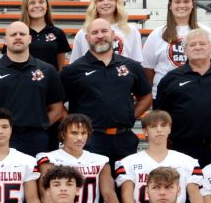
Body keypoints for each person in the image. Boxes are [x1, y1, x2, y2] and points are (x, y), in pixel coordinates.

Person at [62, 17, 153, 168]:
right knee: (92, 189)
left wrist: (131, 114)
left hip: (124, 139)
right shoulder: (73, 70)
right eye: (95, 32)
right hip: (89, 140)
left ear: (112, 35)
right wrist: (73, 126)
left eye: (104, 31)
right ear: (87, 38)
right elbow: (57, 103)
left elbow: (146, 96)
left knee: (124, 187)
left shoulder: (131, 66)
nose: (100, 35)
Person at [0, 21, 66, 156]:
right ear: (5, 40)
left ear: (30, 39)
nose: (18, 37)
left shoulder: (47, 70)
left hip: (36, 139)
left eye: (22, 34)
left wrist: (41, 124)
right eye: (13, 34)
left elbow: (57, 108)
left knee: (36, 177)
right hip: (0, 140)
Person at [152, 30, 211, 166]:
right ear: (184, 50)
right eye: (192, 45)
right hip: (182, 146)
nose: (198, 47)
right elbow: (160, 114)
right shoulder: (171, 78)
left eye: (202, 43)